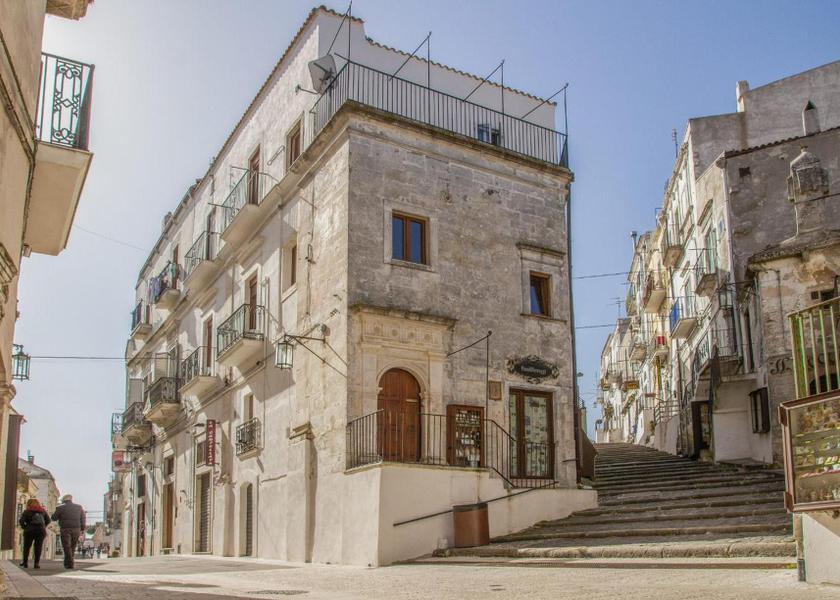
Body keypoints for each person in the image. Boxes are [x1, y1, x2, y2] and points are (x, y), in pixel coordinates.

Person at [52, 494, 85, 569]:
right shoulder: (79, 507)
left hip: (65, 529)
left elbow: (54, 518)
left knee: (66, 546)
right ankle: (68, 562)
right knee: (72, 546)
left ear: (64, 500)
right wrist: (82, 528)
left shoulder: (60, 508)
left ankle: (70, 563)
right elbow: (83, 518)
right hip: (76, 529)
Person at [18, 498, 50, 569]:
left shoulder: (27, 511)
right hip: (41, 531)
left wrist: (25, 527)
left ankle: (25, 562)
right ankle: (36, 564)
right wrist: (43, 526)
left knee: (27, 547)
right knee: (38, 547)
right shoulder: (43, 511)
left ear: (29, 504)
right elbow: (48, 520)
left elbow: (21, 521)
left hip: (29, 530)